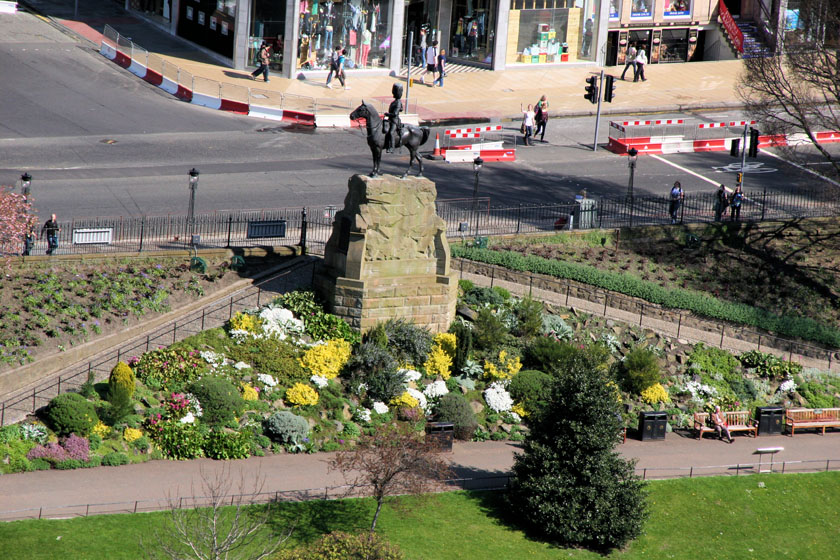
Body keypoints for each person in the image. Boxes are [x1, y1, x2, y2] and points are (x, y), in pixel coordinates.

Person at [384, 83, 404, 154]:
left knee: (391, 132)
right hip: (390, 119)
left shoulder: (398, 102)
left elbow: (395, 113)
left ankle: (392, 147)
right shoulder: (394, 102)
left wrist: (387, 114)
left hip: (394, 121)